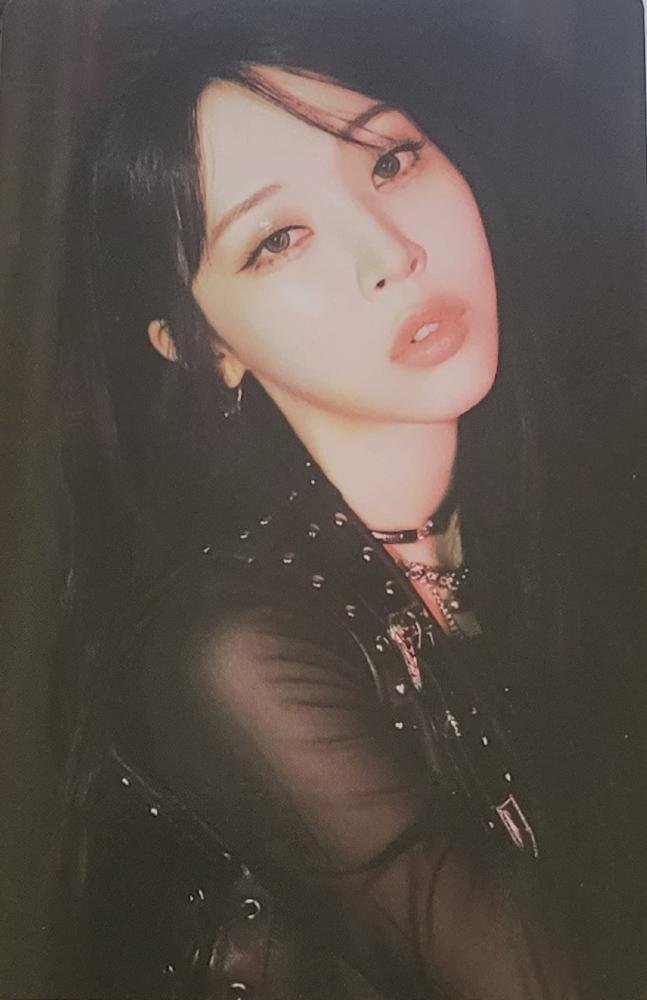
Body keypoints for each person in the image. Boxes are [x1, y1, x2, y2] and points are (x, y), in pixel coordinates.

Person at [51, 2, 647, 998]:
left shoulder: (539, 516)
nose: (389, 251)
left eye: (390, 161)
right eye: (279, 238)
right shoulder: (232, 650)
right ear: (202, 346)